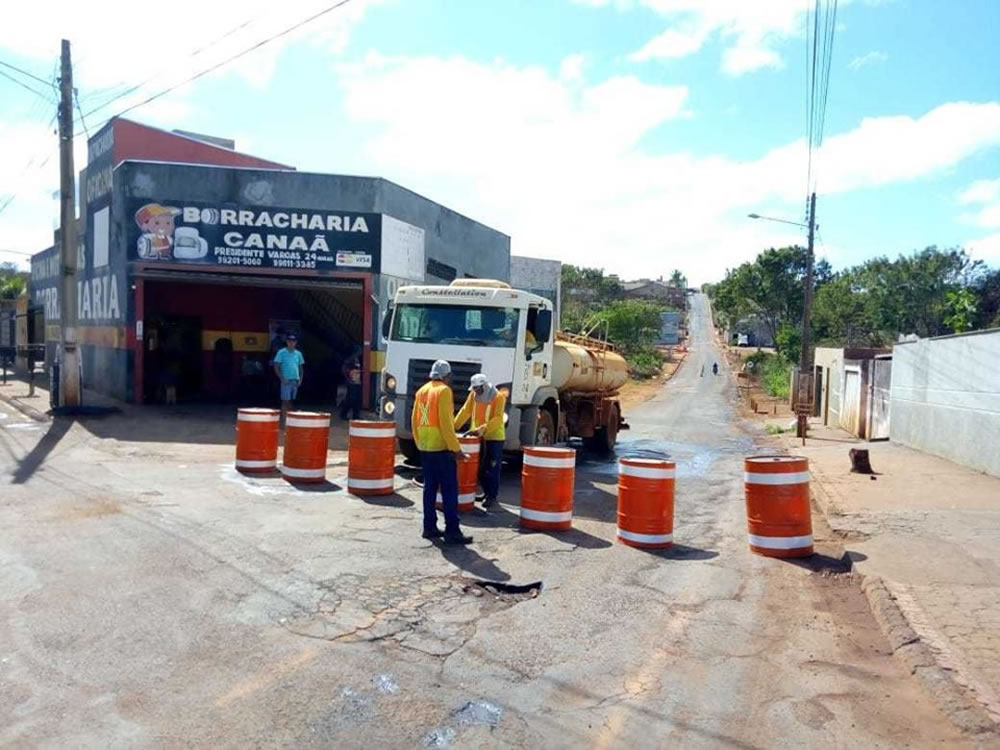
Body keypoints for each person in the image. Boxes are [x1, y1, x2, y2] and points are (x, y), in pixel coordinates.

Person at [412, 360, 473, 545]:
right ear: (447, 376)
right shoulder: (444, 391)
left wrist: (419, 442)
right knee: (449, 490)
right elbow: (446, 424)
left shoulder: (421, 391)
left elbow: (414, 420)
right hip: (441, 449)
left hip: (425, 448)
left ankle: (429, 527)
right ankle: (452, 531)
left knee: (429, 489)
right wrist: (456, 449)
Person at [454, 373, 506, 509]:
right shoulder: (473, 395)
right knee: (481, 468)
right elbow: (466, 410)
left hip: (494, 438)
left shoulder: (498, 397)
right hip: (478, 437)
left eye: (478, 388)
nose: (476, 391)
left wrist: (483, 428)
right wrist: (454, 426)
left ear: (484, 386)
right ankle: (486, 492)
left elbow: (499, 418)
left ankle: (492, 496)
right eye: (474, 389)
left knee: (492, 467)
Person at [272, 333, 304, 418]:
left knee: (291, 400)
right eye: (289, 341)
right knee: (286, 400)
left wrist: (300, 380)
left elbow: (301, 368)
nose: (291, 343)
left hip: (295, 380)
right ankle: (288, 418)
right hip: (286, 380)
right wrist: (281, 378)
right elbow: (276, 366)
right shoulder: (281, 352)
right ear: (286, 342)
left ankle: (288, 419)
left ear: (296, 342)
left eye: (293, 341)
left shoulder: (298, 354)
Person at [339, 351, 362, 420]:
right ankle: (343, 414)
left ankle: (355, 415)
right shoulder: (350, 359)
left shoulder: (356, 359)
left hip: (356, 381)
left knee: (356, 399)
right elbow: (344, 368)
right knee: (351, 399)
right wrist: (348, 376)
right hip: (351, 382)